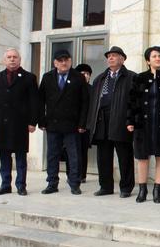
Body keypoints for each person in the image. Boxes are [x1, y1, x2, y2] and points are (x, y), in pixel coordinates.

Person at [127, 46, 160, 204]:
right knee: (142, 157)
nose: (158, 58)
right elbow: (132, 102)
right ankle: (142, 189)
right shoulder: (139, 78)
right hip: (143, 124)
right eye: (154, 56)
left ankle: (158, 189)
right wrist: (130, 121)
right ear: (147, 60)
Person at [86, 46, 136, 198]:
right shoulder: (100, 78)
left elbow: (134, 102)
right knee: (103, 156)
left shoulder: (131, 77)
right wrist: (90, 124)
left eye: (114, 56)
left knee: (124, 156)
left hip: (121, 120)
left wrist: (131, 120)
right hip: (102, 120)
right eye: (109, 56)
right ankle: (105, 186)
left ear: (122, 59)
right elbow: (93, 102)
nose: (111, 58)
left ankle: (126, 187)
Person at [38, 49, 89, 195]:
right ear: (55, 63)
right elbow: (40, 100)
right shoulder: (47, 77)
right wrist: (41, 120)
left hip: (72, 124)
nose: (64, 62)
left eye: (66, 59)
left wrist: (82, 123)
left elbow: (85, 102)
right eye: (60, 60)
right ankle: (52, 183)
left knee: (74, 155)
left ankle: (74, 183)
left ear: (71, 61)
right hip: (52, 123)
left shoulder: (78, 77)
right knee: (52, 155)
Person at [0, 48, 39, 196]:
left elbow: (34, 102)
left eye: (15, 57)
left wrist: (32, 122)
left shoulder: (29, 77)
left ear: (20, 60)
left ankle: (21, 185)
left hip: (20, 123)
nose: (12, 59)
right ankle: (5, 185)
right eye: (9, 57)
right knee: (4, 156)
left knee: (20, 157)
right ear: (4, 60)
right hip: (1, 123)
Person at [64, 64, 93, 183]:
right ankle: (70, 174)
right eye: (82, 73)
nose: (85, 76)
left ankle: (82, 175)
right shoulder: (69, 87)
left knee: (83, 150)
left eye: (87, 74)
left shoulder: (92, 89)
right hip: (71, 124)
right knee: (69, 150)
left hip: (86, 125)